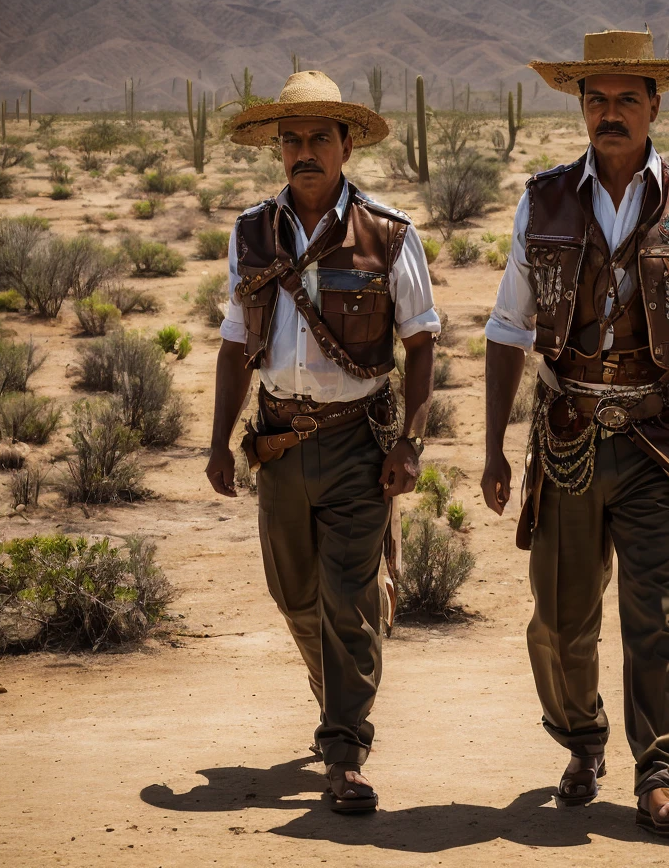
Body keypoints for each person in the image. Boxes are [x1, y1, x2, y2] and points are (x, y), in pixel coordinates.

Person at [480, 28, 669, 837]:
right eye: (596, 99)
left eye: (625, 100)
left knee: (657, 612)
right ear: (580, 105)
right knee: (560, 619)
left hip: (656, 440)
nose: (610, 114)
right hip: (566, 440)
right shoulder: (543, 201)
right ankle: (581, 737)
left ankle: (662, 774)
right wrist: (494, 446)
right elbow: (508, 328)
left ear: (654, 106)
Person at [205, 70, 439, 813]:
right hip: (275, 443)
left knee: (349, 599)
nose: (304, 152)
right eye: (291, 139)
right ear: (278, 149)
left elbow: (423, 342)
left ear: (346, 146)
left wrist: (411, 443)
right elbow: (236, 343)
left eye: (318, 139)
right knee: (293, 594)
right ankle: (335, 689)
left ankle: (345, 749)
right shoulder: (251, 232)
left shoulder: (388, 234)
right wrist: (217, 442)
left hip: (355, 444)